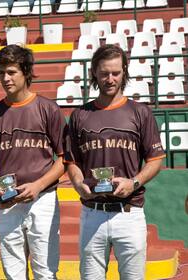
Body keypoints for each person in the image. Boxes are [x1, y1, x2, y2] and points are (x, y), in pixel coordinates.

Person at [64, 44, 165, 280]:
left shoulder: (140, 112)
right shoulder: (79, 115)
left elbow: (155, 160)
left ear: (124, 72)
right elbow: (71, 161)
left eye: (116, 73)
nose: (110, 79)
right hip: (92, 211)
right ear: (94, 74)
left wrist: (134, 182)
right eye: (104, 73)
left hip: (129, 212)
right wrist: (78, 183)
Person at [0, 45, 66, 279]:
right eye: (2, 73)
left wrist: (38, 185)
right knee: (13, 274)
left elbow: (65, 159)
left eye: (11, 72)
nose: (5, 78)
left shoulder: (48, 109)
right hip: (6, 203)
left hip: (43, 199)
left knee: (45, 273)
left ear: (26, 72)